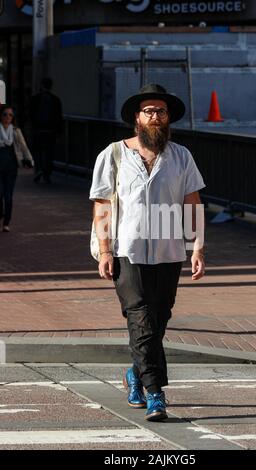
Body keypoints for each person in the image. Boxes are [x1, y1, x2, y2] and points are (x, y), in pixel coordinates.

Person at [90, 84, 206, 422]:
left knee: (158, 318)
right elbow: (102, 206)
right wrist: (104, 250)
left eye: (161, 112)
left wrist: (197, 247)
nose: (155, 116)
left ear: (168, 118)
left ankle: (134, 374)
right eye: (149, 111)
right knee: (139, 317)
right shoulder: (113, 155)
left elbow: (192, 204)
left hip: (170, 252)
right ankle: (156, 393)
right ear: (137, 118)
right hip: (128, 250)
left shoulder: (181, 156)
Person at [0, 106, 34, 232]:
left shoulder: (15, 131)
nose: (8, 117)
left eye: (10, 115)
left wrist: (29, 159)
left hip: (11, 167)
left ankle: (6, 223)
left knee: (8, 195)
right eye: (5, 114)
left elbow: (23, 146)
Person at [29, 77, 63, 183]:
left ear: (41, 85)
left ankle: (39, 169)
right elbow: (58, 117)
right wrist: (58, 133)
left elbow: (30, 115)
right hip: (50, 130)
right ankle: (46, 173)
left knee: (37, 151)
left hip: (38, 129)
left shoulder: (35, 99)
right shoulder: (55, 100)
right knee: (48, 152)